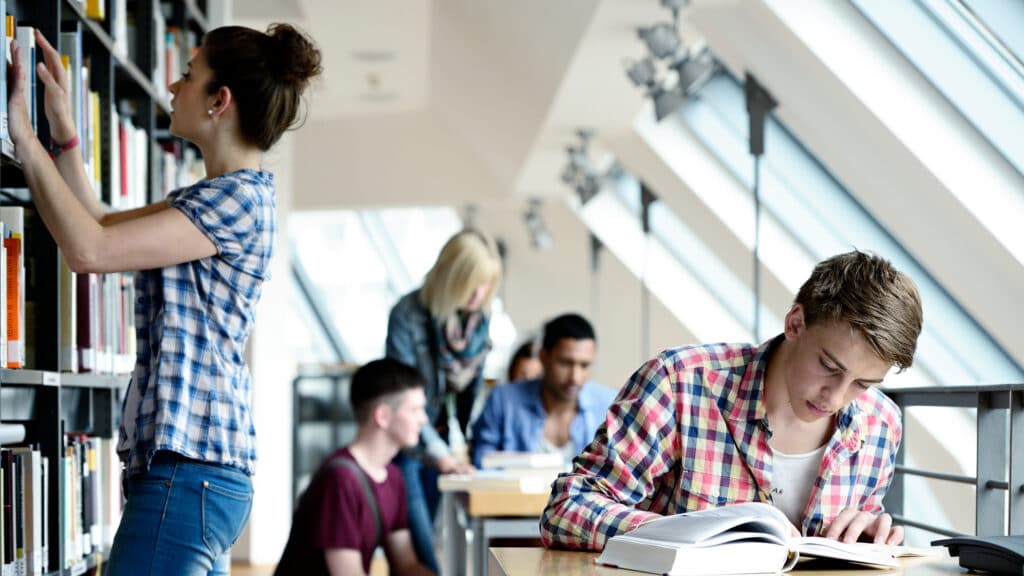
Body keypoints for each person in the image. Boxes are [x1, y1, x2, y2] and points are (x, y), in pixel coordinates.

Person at [7, 24, 321, 575]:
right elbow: (99, 222)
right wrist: (63, 134)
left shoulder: (239, 200)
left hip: (190, 472)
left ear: (219, 101)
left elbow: (90, 250)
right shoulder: (212, 198)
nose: (173, 89)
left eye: (187, 76)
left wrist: (23, 140)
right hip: (196, 472)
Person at [541, 250, 923, 550]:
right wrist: (695, 536)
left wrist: (868, 535)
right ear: (795, 324)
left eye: (864, 383)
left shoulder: (880, 424)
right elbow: (567, 509)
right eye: (828, 366)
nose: (837, 398)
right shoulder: (679, 383)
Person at [385, 228, 502, 572]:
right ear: (452, 277)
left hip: (442, 442)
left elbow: (471, 392)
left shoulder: (479, 321)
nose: (479, 294)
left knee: (427, 546)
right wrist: (442, 454)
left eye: (486, 284)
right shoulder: (407, 315)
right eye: (472, 283)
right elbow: (402, 399)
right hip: (408, 446)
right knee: (420, 555)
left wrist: (464, 446)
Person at [275, 359, 435, 576]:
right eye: (415, 410)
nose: (423, 419)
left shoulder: (393, 477)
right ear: (383, 416)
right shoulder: (341, 480)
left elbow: (406, 564)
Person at [471, 313, 615, 468]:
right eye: (565, 363)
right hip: (513, 493)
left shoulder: (609, 405)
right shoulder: (503, 401)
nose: (575, 377)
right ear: (543, 357)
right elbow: (482, 463)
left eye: (584, 365)